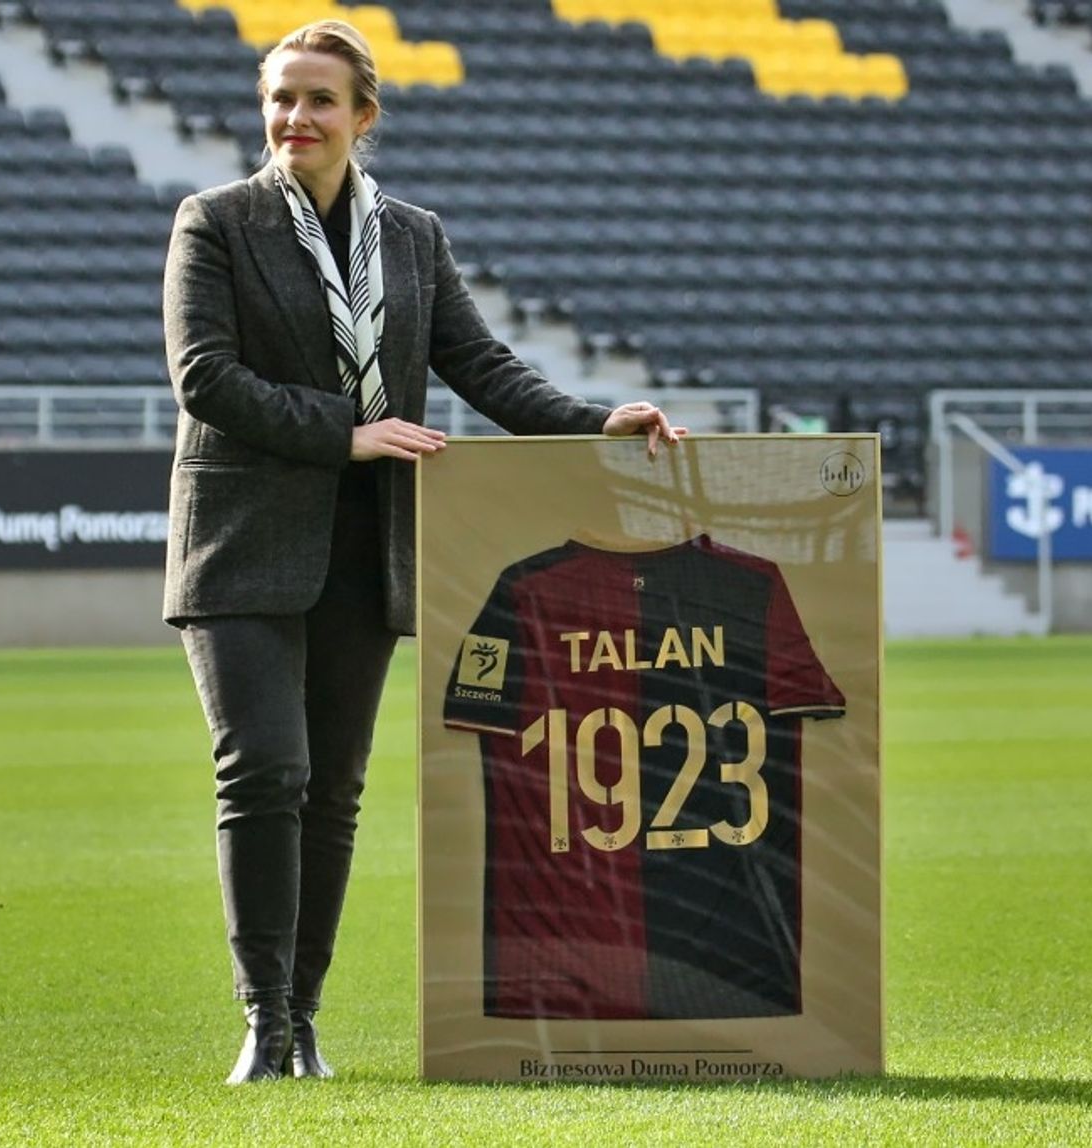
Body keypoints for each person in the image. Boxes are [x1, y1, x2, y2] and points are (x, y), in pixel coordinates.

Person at [161, 18, 683, 1085]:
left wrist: (593, 422)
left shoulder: (411, 235)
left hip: (369, 549)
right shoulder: (214, 221)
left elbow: (483, 366)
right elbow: (204, 377)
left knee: (332, 791)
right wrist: (345, 433)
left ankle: (304, 1019)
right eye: (280, 97)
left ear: (364, 116)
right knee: (264, 767)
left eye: (319, 99)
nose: (296, 117)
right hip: (241, 542)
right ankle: (262, 1019)